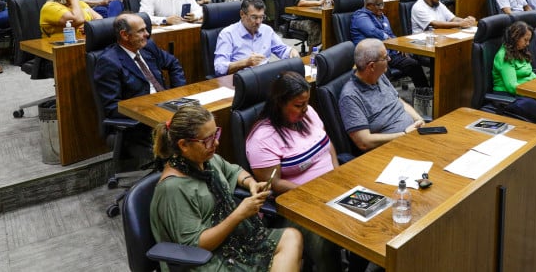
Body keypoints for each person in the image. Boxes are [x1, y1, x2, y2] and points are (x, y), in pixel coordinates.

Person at [151, 105, 302, 272]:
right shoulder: (173, 189)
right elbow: (196, 246)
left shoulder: (207, 161)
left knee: (292, 237)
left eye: (215, 134)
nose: (215, 142)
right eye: (207, 140)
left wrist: (251, 183)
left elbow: (234, 171)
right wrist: (239, 214)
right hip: (206, 259)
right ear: (184, 145)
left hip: (233, 240)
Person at [246, 72, 342, 272]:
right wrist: (315, 193)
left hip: (332, 189)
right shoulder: (262, 139)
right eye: (299, 105)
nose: (305, 110)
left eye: (306, 103)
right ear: (279, 103)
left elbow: (326, 142)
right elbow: (274, 184)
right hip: (297, 205)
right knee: (325, 237)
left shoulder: (308, 114)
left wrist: (337, 173)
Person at [94, 12, 185, 120]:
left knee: (201, 116)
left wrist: (177, 94)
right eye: (141, 31)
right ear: (125, 35)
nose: (147, 34)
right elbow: (113, 107)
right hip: (143, 119)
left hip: (168, 105)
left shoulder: (147, 46)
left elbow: (173, 63)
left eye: (146, 29)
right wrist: (150, 110)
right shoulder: (109, 62)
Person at [339, 39, 425, 151]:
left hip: (412, 134)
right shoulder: (350, 97)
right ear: (372, 66)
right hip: (390, 149)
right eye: (385, 58)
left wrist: (419, 119)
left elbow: (398, 101)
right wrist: (403, 134)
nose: (389, 59)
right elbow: (364, 142)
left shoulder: (379, 76)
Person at [351, 0, 430, 88]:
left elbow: (391, 34)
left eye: (382, 4)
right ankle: (388, 100)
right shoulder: (360, 17)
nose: (382, 8)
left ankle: (424, 94)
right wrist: (389, 39)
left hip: (389, 53)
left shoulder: (382, 17)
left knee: (413, 65)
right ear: (369, 6)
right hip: (371, 57)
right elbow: (372, 31)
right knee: (382, 71)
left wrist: (400, 45)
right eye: (378, 5)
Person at [214, 0, 300, 76]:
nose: (258, 22)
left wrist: (291, 51)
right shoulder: (227, 34)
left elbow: (281, 49)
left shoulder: (266, 30)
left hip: (265, 75)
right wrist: (246, 62)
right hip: (241, 78)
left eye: (261, 17)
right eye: (254, 17)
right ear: (242, 14)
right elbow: (219, 68)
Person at [491, 22, 536, 123]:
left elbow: (529, 72)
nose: (528, 44)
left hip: (525, 90)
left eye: (529, 40)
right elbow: (512, 87)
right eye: (525, 40)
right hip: (508, 95)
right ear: (515, 37)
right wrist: (534, 90)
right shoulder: (504, 56)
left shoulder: (520, 51)